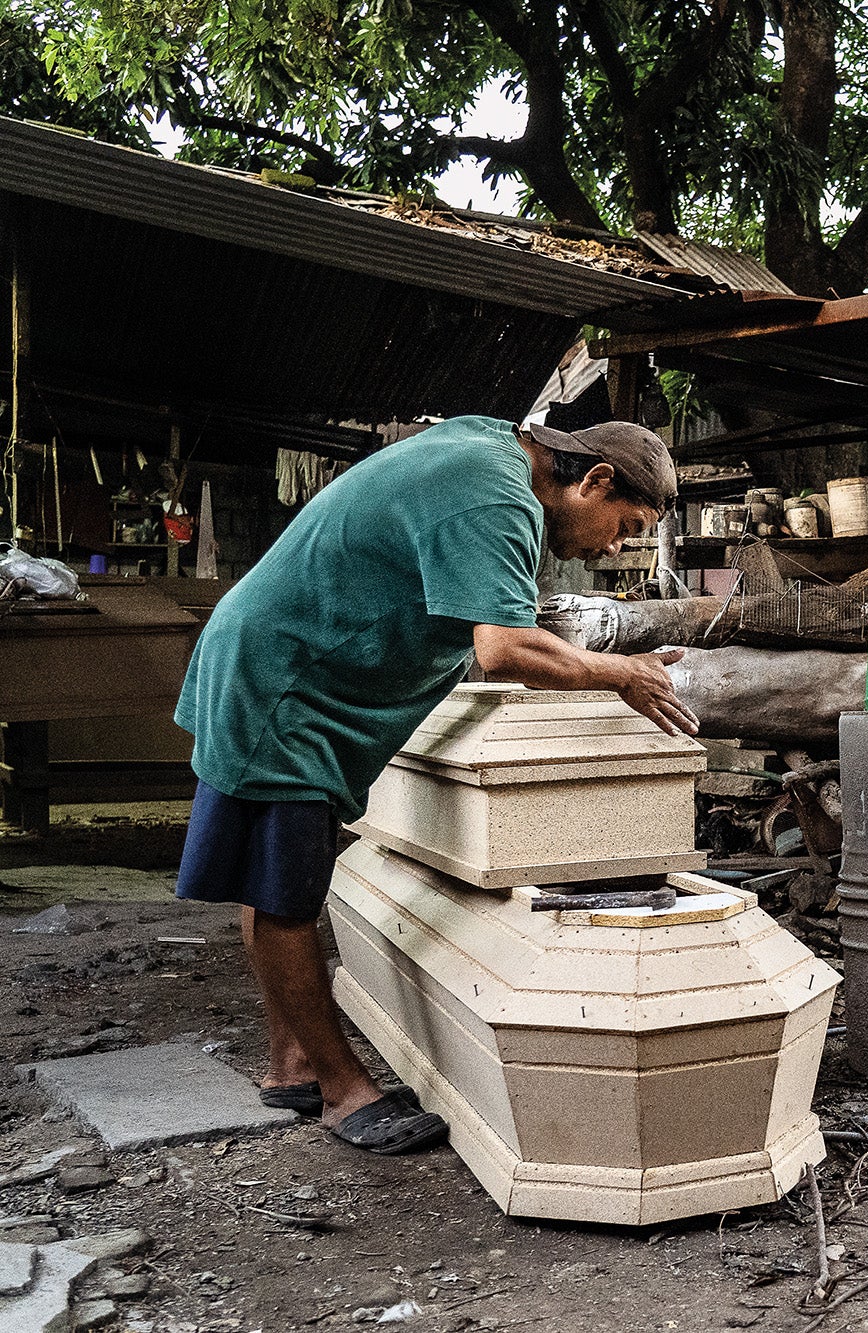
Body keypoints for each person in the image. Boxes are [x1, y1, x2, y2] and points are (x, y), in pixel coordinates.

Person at [173, 415, 696, 1154]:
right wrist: (620, 671)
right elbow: (504, 647)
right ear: (594, 479)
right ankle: (342, 1091)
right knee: (285, 897)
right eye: (624, 525)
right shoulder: (502, 499)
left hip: (278, 656)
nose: (615, 545)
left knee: (273, 881)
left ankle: (290, 1064)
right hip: (287, 681)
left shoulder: (492, 445)